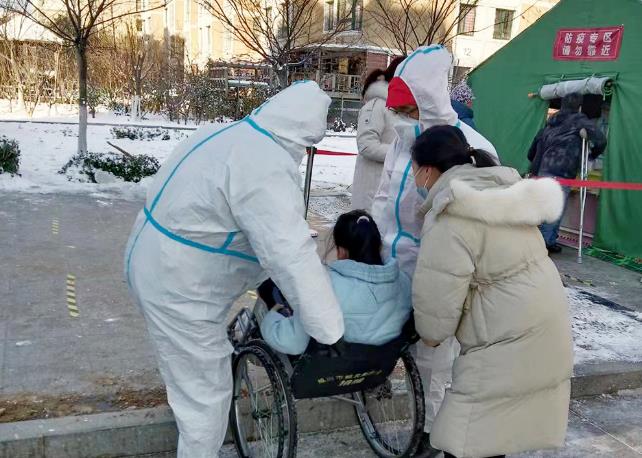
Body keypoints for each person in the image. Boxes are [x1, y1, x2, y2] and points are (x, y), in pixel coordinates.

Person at [124, 81, 345, 458]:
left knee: (195, 376)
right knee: (205, 398)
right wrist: (330, 330)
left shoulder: (228, 133)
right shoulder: (265, 165)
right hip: (178, 284)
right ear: (304, 138)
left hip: (157, 257)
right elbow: (290, 254)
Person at [411, 124, 573, 458]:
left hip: (506, 340)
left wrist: (426, 333)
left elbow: (435, 321)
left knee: (465, 439)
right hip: (546, 325)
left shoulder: (450, 216)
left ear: (426, 170)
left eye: (414, 169)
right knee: (491, 435)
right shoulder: (501, 193)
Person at [371, 45, 498, 457]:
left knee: (435, 363)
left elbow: (471, 229)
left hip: (439, 274)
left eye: (407, 111)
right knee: (401, 352)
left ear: (428, 104)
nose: (398, 119)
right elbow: (383, 198)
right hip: (394, 267)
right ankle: (415, 427)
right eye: (395, 110)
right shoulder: (400, 143)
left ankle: (432, 437)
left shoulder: (466, 148)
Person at [260, 210, 412, 354]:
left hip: (331, 364)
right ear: (378, 245)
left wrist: (271, 318)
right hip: (380, 361)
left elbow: (293, 342)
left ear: (342, 251)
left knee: (270, 290)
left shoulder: (326, 287)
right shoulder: (405, 282)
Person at [527, 93, 607, 253]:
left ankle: (546, 240)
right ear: (579, 107)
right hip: (562, 171)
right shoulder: (579, 120)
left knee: (543, 208)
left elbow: (531, 152)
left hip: (542, 171)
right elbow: (600, 140)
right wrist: (592, 155)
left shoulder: (551, 123)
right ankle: (543, 244)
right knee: (555, 209)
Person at [352, 57, 405, 212]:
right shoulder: (377, 105)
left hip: (391, 188)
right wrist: (401, 152)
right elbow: (366, 144)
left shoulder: (401, 108)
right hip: (372, 191)